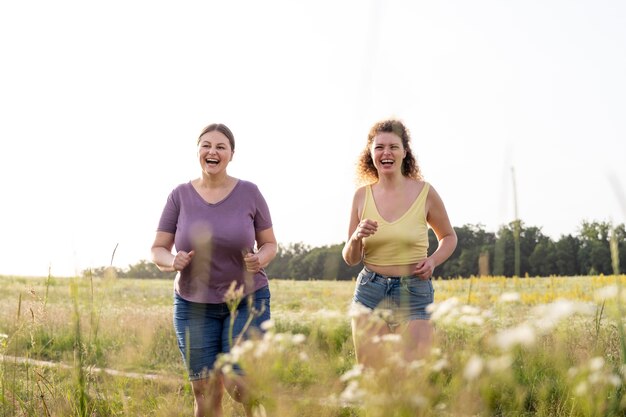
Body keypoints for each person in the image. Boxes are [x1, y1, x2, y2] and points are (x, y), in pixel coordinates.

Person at [151, 123, 277, 417]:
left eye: (221, 147)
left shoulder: (250, 193)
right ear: (198, 151)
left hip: (247, 300)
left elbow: (270, 243)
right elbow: (157, 248)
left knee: (242, 384)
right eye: (206, 145)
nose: (213, 151)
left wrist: (261, 258)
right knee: (207, 394)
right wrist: (173, 261)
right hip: (193, 306)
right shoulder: (179, 195)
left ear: (231, 154)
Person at [342, 119, 457, 368]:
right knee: (374, 376)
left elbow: (449, 237)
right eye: (379, 147)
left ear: (405, 152)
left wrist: (433, 260)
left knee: (412, 378)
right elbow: (350, 258)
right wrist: (356, 237)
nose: (386, 153)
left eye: (393, 147)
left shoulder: (425, 192)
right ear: (370, 154)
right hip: (370, 291)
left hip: (415, 291)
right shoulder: (361, 196)